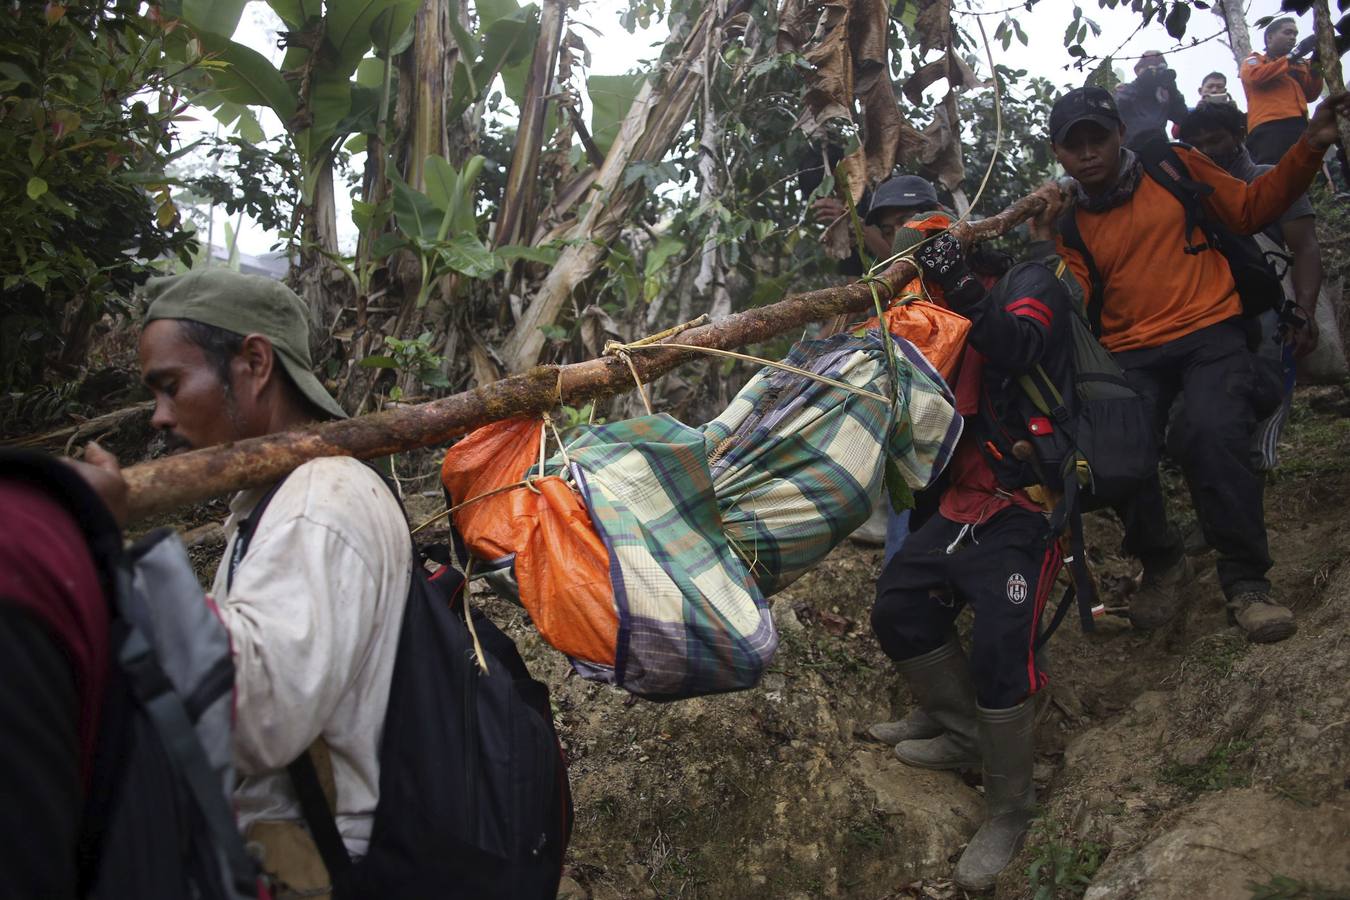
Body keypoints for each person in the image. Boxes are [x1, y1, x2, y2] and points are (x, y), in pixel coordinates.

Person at [81, 268, 413, 885]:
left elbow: (257, 715)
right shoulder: (276, 500)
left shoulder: (323, 498)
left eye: (171, 385)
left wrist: (98, 552)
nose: (158, 416)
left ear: (255, 363)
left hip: (316, 864)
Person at [1032, 85, 1350, 643]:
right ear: (1057, 153)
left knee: (1210, 430)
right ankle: (1164, 564)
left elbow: (1252, 207)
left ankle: (1247, 583)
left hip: (1211, 331)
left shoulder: (1171, 165)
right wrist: (1042, 245)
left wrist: (1311, 146)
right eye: (1072, 144)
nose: (1088, 153)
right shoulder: (1069, 221)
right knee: (1112, 458)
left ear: (1120, 136)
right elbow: (1071, 305)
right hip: (1129, 351)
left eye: (1097, 138)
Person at [870, 196, 1070, 890]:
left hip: (1023, 500)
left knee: (999, 643)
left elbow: (1015, 346)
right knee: (898, 603)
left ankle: (1011, 804)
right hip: (960, 498)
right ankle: (961, 731)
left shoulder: (1030, 285)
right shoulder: (931, 307)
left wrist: (957, 285)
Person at [1240, 17, 1324, 164]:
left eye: (1295, 34)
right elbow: (1256, 77)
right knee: (1272, 173)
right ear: (1270, 37)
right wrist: (1294, 55)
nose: (1292, 38)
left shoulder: (1300, 64)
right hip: (1269, 127)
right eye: (1287, 32)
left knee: (1302, 173)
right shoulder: (1254, 61)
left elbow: (1311, 94)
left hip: (1299, 125)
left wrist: (1316, 65)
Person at [1114, 51, 1189, 149]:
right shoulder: (1126, 89)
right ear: (1138, 70)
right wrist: (1140, 83)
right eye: (1150, 68)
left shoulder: (1163, 96)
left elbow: (1182, 118)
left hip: (1159, 148)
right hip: (1131, 148)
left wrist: (1173, 90)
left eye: (1159, 68)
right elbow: (1116, 107)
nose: (1155, 72)